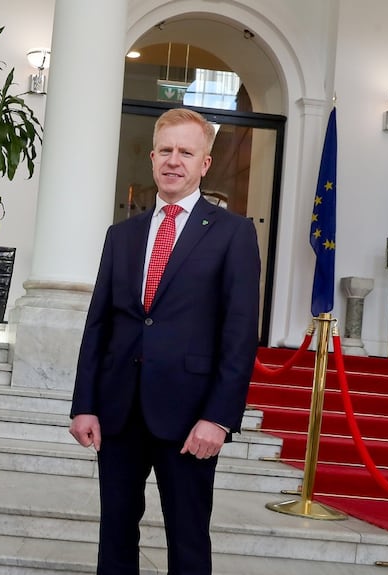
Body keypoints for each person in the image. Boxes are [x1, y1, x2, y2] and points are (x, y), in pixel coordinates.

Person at [69, 108, 260, 575]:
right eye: (166, 151)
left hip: (190, 416)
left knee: (188, 537)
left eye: (186, 152)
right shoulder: (122, 235)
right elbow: (99, 324)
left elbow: (239, 336)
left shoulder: (234, 234)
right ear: (153, 157)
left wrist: (218, 418)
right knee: (114, 533)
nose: (174, 161)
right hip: (118, 411)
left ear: (205, 164)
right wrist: (84, 403)